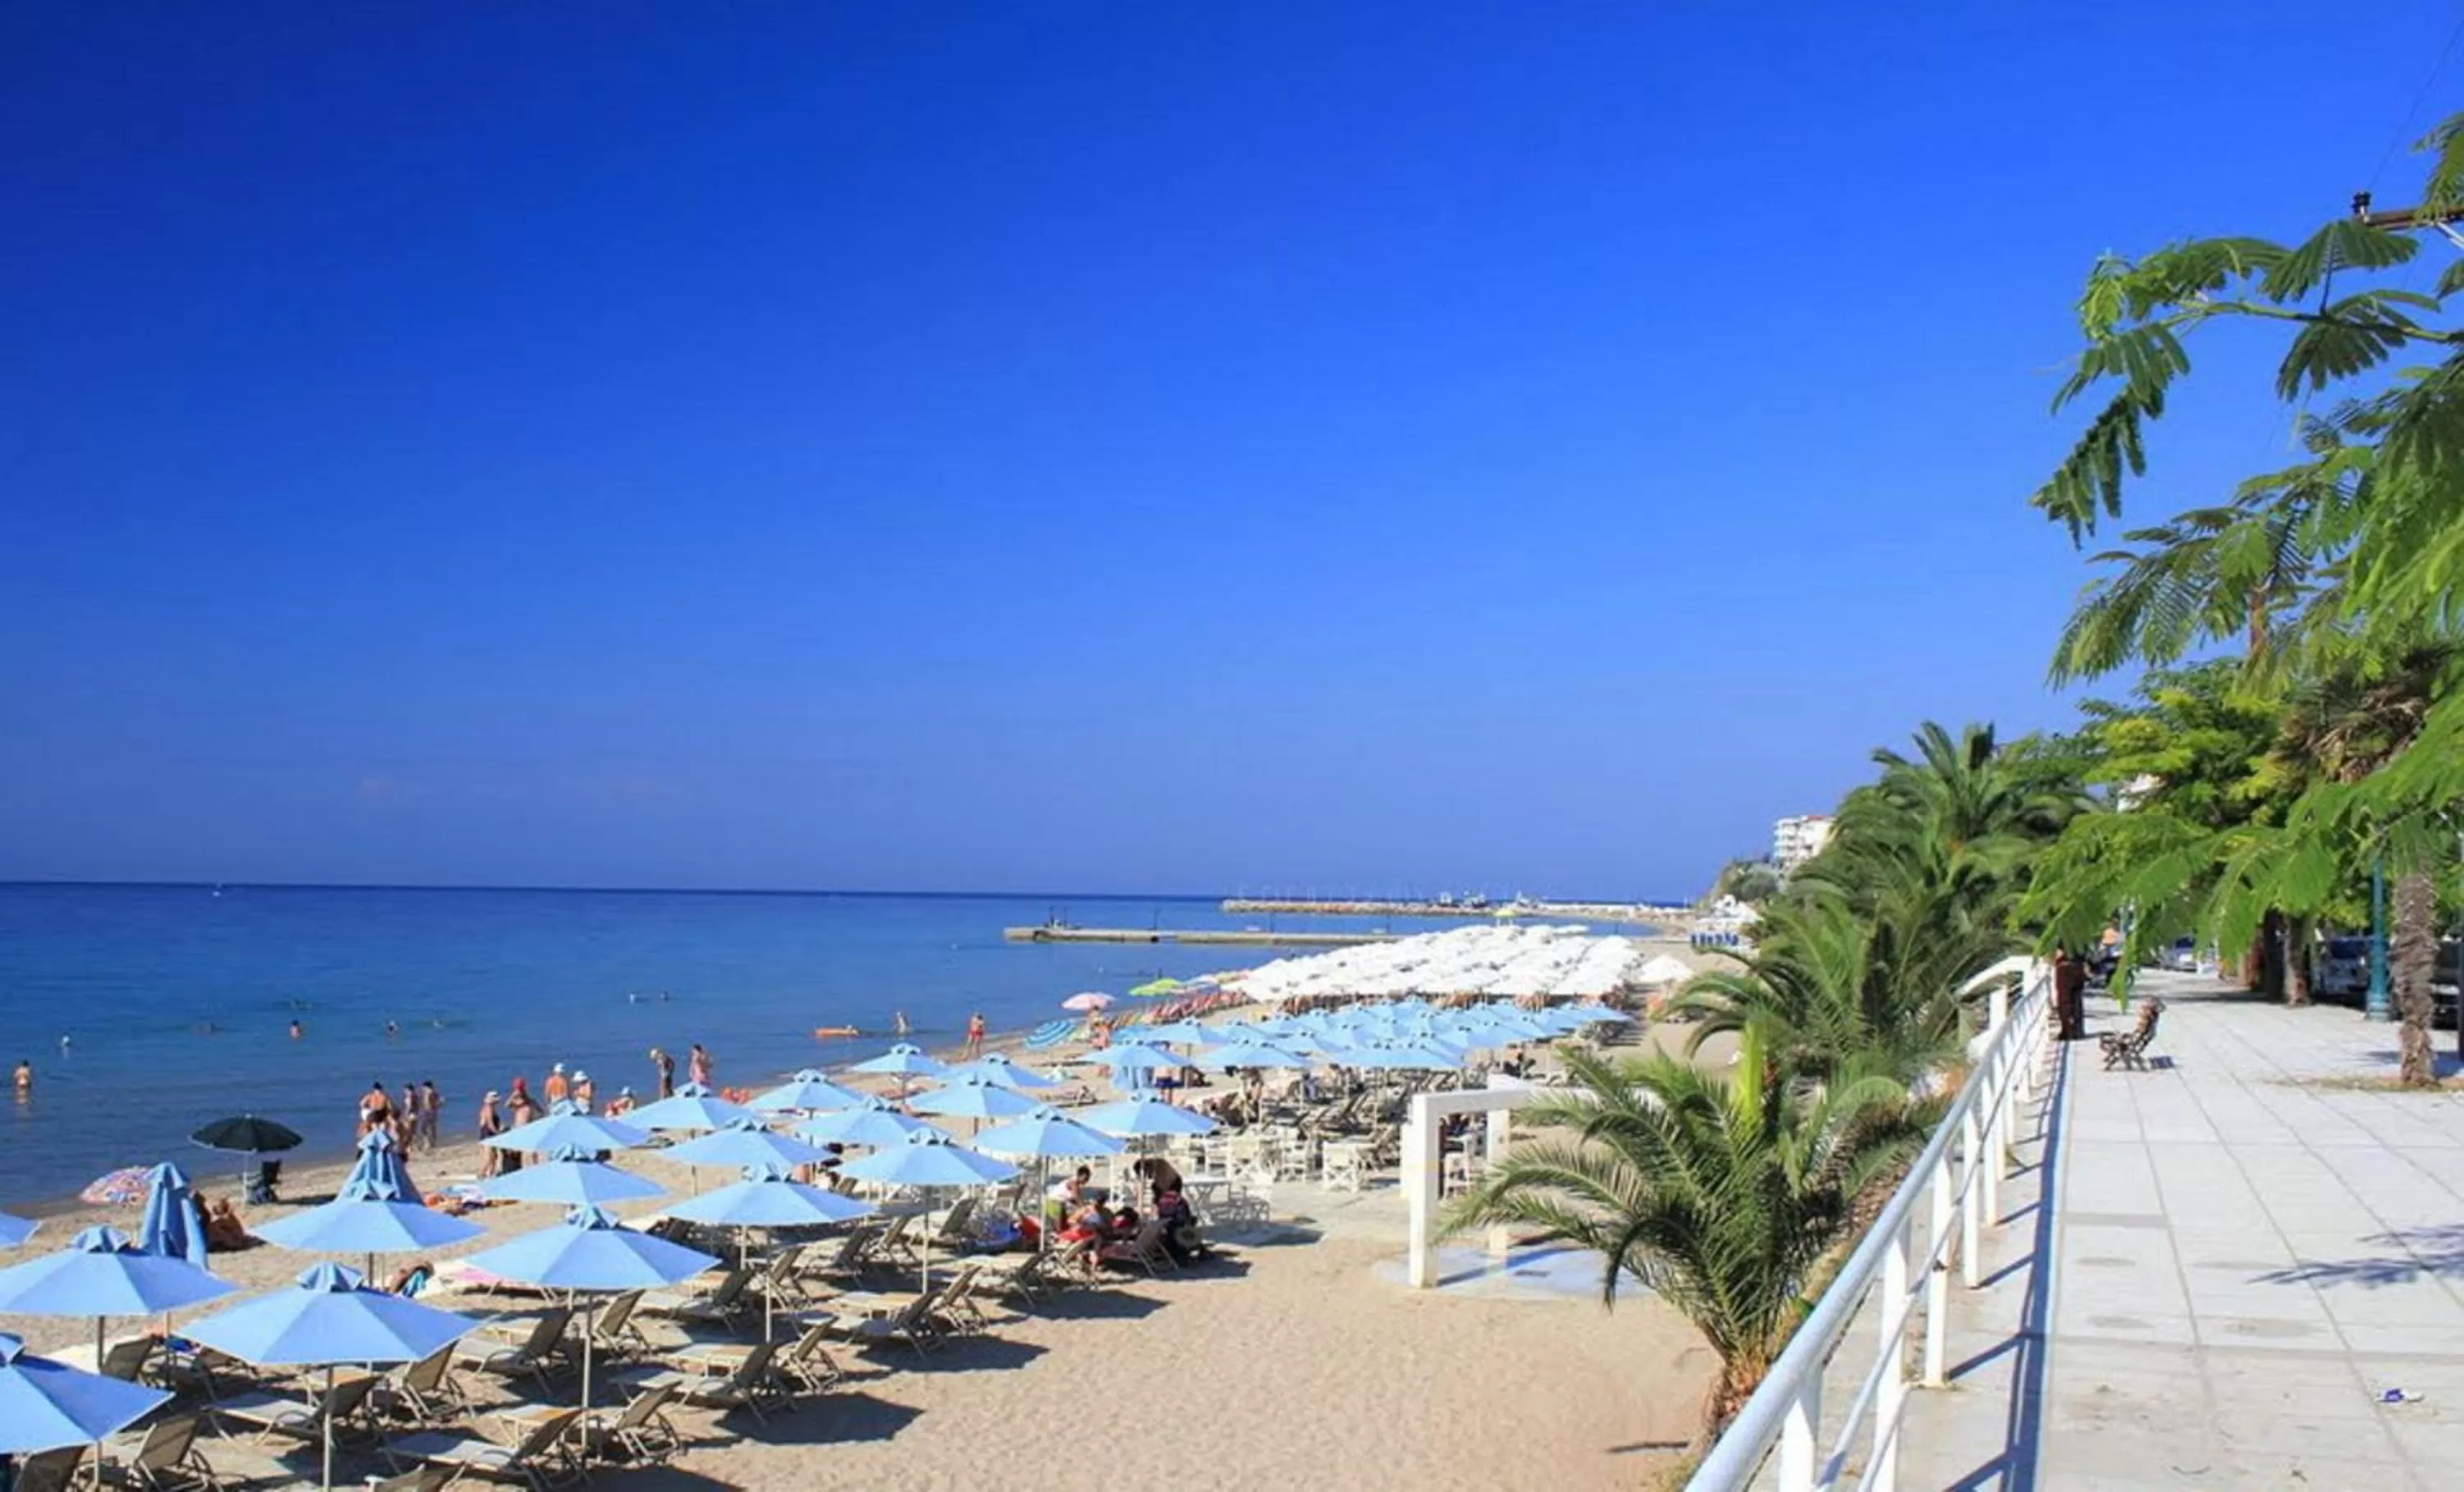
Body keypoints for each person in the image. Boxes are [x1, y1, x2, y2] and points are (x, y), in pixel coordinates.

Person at [2055, 947, 2089, 1041]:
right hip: (2078, 967)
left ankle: (2067, 1031)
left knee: (2064, 1001)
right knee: (2077, 999)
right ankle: (2077, 1030)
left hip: (2063, 968)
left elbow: (2056, 953)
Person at [476, 1090, 506, 1179]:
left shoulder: (491, 1108)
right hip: (488, 1135)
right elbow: (490, 1124)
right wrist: (498, 1133)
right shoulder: (488, 1109)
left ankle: (490, 1175)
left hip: (490, 1135)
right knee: (488, 1158)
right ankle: (481, 1175)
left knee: (494, 1157)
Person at [417, 1080, 442, 1152]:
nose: (422, 1089)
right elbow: (440, 1100)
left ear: (427, 1087)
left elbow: (429, 1104)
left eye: (424, 1087)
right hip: (432, 1112)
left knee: (423, 1128)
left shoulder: (429, 1093)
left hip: (428, 1112)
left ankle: (428, 1142)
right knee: (432, 1127)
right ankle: (432, 1142)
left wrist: (435, 1106)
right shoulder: (432, 1093)